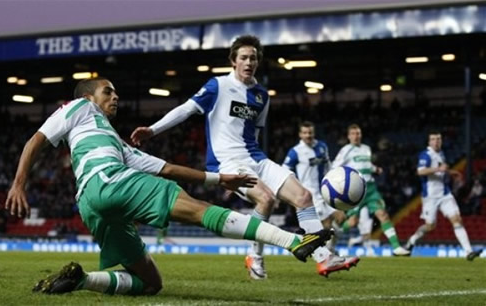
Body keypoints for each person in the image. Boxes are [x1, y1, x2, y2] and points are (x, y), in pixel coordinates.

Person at [5, 77, 334, 296]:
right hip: (110, 181)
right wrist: (19, 184)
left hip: (92, 204)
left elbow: (168, 168)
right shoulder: (79, 107)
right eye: (108, 91)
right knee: (199, 210)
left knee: (151, 284)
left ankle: (82, 279)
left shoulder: (117, 144)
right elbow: (37, 139)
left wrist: (222, 179)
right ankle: (294, 241)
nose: (116, 96)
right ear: (90, 96)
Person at [131, 35, 359, 279]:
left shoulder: (262, 95)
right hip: (228, 161)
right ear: (233, 61)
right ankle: (256, 257)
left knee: (304, 196)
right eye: (243, 58)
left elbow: (256, 133)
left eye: (253, 58)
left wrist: (261, 167)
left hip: (256, 158)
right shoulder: (217, 86)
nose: (248, 62)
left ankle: (325, 258)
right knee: (266, 199)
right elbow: (186, 109)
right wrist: (152, 130)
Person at [332, 124, 410, 256]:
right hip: (356, 190)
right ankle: (334, 233)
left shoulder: (366, 148)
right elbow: (335, 167)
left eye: (358, 133)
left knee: (383, 215)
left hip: (371, 189)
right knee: (352, 222)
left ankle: (396, 247)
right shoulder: (346, 150)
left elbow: (367, 164)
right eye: (354, 134)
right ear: (349, 136)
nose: (356, 136)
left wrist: (376, 169)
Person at [405, 131, 482, 260]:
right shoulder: (426, 154)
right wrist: (438, 169)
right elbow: (420, 171)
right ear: (429, 142)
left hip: (445, 194)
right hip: (430, 196)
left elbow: (441, 171)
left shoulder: (441, 154)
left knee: (457, 219)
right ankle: (412, 240)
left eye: (439, 139)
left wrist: (451, 172)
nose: (437, 141)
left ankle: (468, 252)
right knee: (430, 226)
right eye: (434, 139)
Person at [282, 121, 346, 257]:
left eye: (310, 132)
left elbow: (328, 166)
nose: (308, 135)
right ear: (300, 134)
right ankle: (326, 255)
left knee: (340, 221)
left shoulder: (322, 147)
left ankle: (330, 249)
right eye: (305, 133)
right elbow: (284, 171)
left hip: (326, 191)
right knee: (327, 223)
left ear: (314, 132)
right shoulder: (295, 152)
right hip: (309, 195)